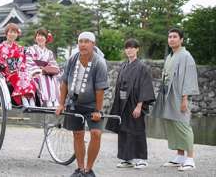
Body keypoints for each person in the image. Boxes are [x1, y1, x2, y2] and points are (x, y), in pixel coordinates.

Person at [56, 32, 108, 177]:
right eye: (80, 41)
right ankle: (79, 169)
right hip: (74, 102)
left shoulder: (99, 62)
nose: (83, 44)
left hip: (92, 104)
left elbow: (100, 89)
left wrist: (98, 110)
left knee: (96, 133)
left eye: (87, 41)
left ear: (93, 44)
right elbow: (64, 82)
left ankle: (88, 169)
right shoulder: (72, 59)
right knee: (78, 134)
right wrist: (61, 104)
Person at [151, 28, 199, 171]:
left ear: (181, 39)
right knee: (172, 124)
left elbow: (189, 78)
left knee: (183, 124)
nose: (171, 39)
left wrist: (184, 98)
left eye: (175, 37)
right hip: (168, 94)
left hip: (179, 95)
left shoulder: (186, 56)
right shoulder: (170, 56)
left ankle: (190, 158)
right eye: (170, 37)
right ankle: (180, 156)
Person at [105, 38, 155, 169]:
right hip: (123, 103)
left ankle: (141, 159)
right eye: (127, 48)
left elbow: (145, 87)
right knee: (124, 130)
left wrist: (139, 106)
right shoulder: (124, 65)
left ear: (137, 49)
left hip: (135, 102)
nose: (129, 50)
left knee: (137, 130)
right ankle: (127, 159)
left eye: (132, 47)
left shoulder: (142, 67)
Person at [0, 23, 36, 107]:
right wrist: (6, 65)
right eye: (11, 32)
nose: (12, 34)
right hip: (6, 71)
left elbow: (23, 61)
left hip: (18, 70)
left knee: (27, 75)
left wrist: (20, 68)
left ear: (17, 35)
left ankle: (30, 98)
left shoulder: (20, 48)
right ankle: (23, 98)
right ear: (6, 33)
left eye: (15, 32)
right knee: (18, 75)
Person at [26, 28, 60, 107]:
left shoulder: (49, 53)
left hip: (46, 72)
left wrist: (48, 70)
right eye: (38, 36)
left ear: (46, 38)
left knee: (56, 77)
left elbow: (53, 64)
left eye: (42, 36)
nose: (40, 38)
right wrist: (39, 70)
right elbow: (29, 62)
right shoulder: (30, 49)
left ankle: (55, 100)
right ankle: (46, 100)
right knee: (42, 77)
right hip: (35, 72)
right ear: (35, 38)